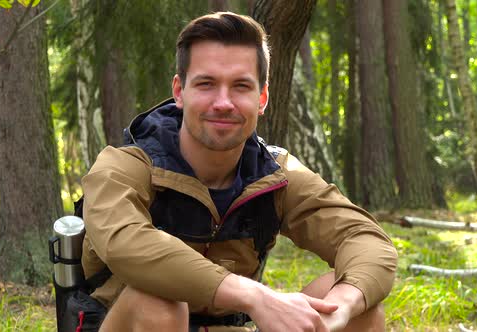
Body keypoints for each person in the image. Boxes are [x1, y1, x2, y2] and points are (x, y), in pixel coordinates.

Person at [81, 11, 398, 332]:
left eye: (240, 86)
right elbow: (123, 241)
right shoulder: (125, 166)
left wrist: (342, 306)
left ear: (261, 98)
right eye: (206, 84)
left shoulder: (275, 174)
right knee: (158, 304)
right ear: (179, 90)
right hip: (133, 322)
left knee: (360, 308)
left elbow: (364, 238)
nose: (223, 102)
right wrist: (254, 296)